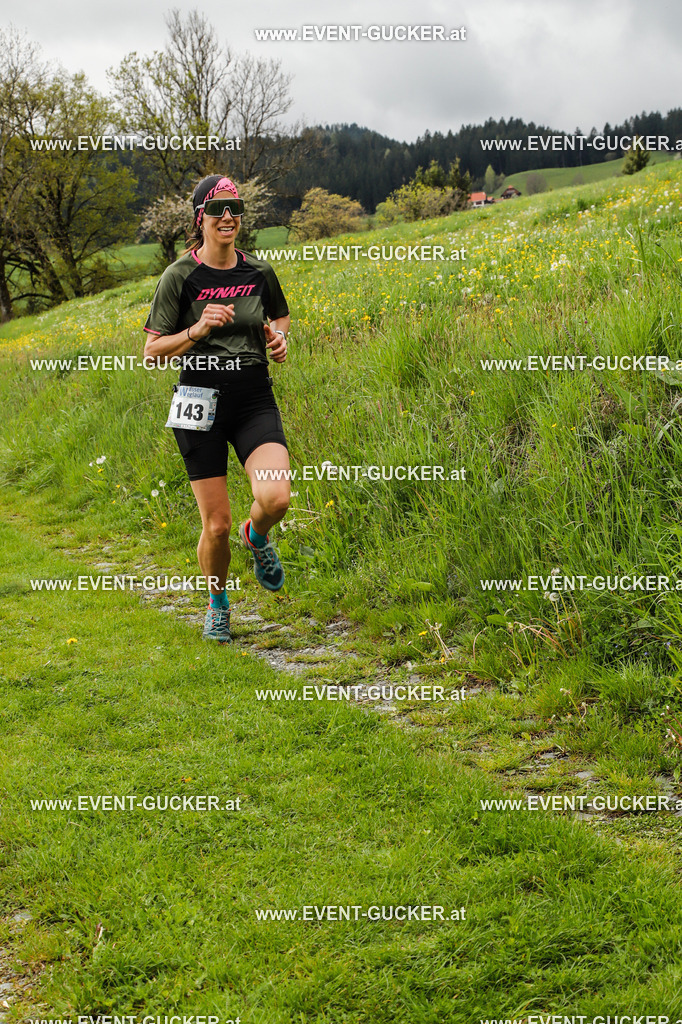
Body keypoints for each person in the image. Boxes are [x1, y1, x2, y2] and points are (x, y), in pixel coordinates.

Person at [143, 174, 291, 645]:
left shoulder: (259, 272)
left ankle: (258, 536)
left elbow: (279, 315)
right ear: (200, 218)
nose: (228, 216)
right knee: (217, 525)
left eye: (235, 207)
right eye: (217, 209)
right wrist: (197, 331)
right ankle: (218, 605)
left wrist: (279, 337)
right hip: (197, 402)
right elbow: (152, 351)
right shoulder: (179, 276)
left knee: (276, 499)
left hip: (251, 398)